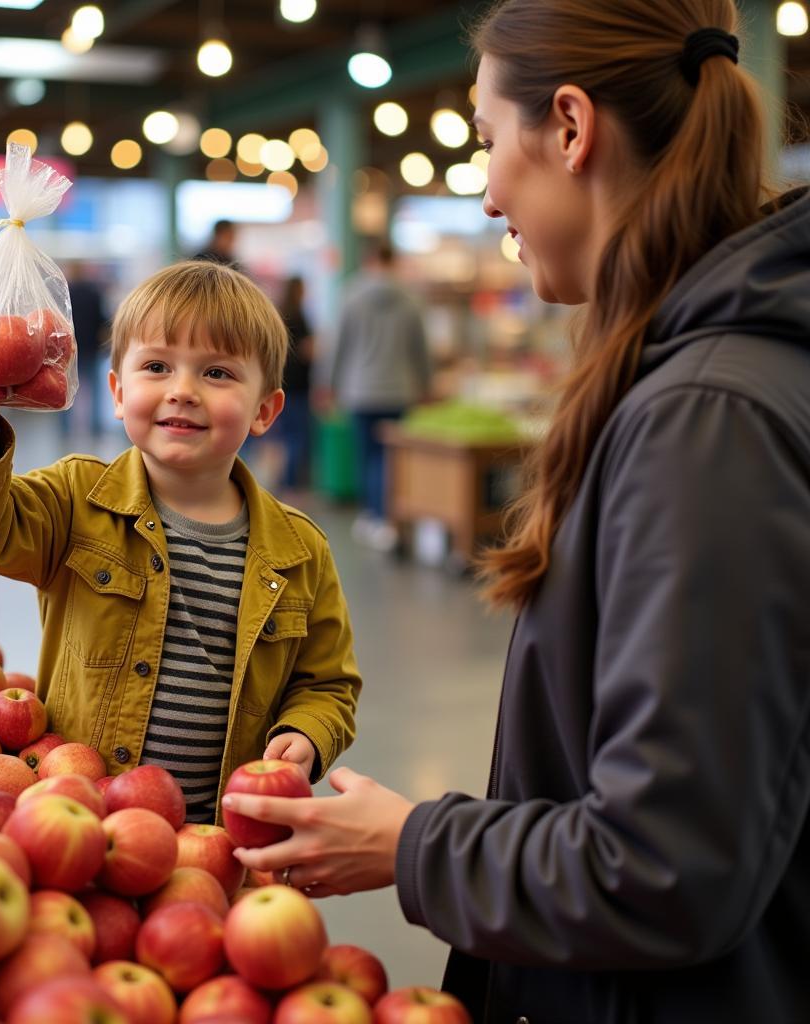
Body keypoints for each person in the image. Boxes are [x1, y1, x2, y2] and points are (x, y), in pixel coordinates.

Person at [225, 1, 810, 1020]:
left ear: (572, 129)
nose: (486, 189)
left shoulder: (704, 421)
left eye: (489, 141)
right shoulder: (698, 372)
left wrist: (410, 843)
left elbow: (667, 863)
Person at [0, 259, 361, 822]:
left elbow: (327, 683)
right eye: (157, 366)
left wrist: (308, 733)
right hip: (82, 819)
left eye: (218, 374)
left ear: (265, 410)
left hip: (218, 839)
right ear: (118, 392)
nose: (183, 391)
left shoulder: (300, 552)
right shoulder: (77, 499)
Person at [327, 241, 430, 550]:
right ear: (393, 262)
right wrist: (426, 385)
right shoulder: (411, 300)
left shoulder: (351, 296)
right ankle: (389, 518)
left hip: (359, 391)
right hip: (401, 390)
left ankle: (373, 515)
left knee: (367, 455)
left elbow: (338, 345)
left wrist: (329, 384)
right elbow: (421, 351)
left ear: (369, 261)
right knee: (393, 458)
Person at [274, 275, 315, 491]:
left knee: (286, 437)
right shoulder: (300, 316)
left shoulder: (279, 314)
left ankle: (284, 480)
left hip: (281, 384)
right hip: (299, 387)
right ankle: (291, 484)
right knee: (297, 438)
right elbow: (308, 350)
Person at [61, 261, 108, 437]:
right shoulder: (93, 293)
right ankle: (95, 426)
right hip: (91, 348)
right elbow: (102, 319)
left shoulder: (66, 294)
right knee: (94, 389)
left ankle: (65, 427)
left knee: (65, 389)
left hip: (70, 350)